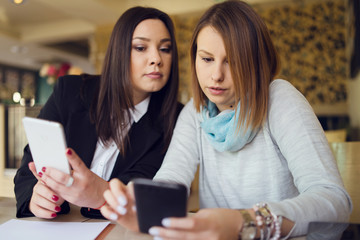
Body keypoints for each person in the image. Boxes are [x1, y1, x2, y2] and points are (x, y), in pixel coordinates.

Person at [100, 0, 352, 239]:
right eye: (207, 59)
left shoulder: (280, 99)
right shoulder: (194, 113)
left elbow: (334, 201)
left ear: (255, 63)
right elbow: (172, 179)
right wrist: (144, 204)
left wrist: (244, 222)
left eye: (231, 61)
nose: (216, 75)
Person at [14, 6, 182, 220]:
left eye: (165, 49)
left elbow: (148, 187)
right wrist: (34, 197)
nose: (156, 59)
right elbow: (30, 167)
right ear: (119, 51)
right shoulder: (70, 91)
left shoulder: (175, 118)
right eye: (141, 47)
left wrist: (101, 193)